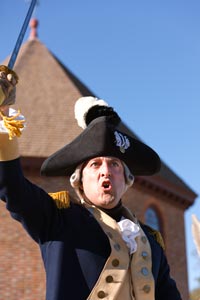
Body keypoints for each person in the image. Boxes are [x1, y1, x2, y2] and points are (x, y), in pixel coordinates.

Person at [0, 65, 181, 300]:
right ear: (79, 181)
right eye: (95, 165)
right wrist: (4, 112)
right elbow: (12, 186)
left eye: (114, 165)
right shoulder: (58, 219)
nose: (105, 172)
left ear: (126, 181)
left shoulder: (150, 241)